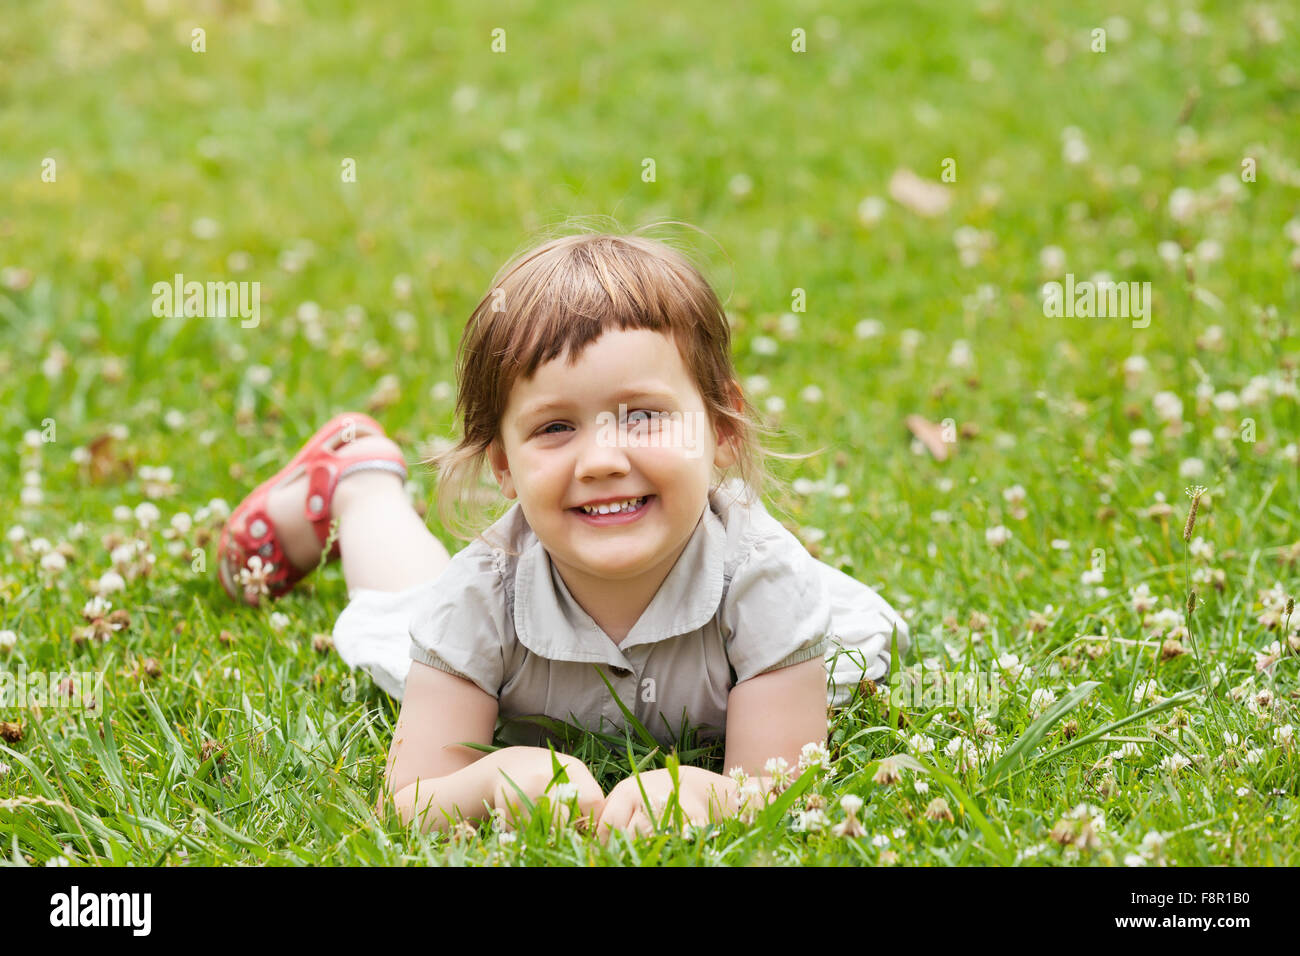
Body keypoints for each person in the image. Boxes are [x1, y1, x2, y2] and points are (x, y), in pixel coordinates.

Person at [217, 226, 909, 841]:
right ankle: (360, 484)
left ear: (721, 429)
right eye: (555, 427)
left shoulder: (766, 583)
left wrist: (707, 794)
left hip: (765, 610)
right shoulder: (478, 599)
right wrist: (496, 779)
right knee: (399, 611)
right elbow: (409, 802)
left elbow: (780, 785)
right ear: (503, 465)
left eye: (643, 416)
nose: (602, 460)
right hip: (485, 602)